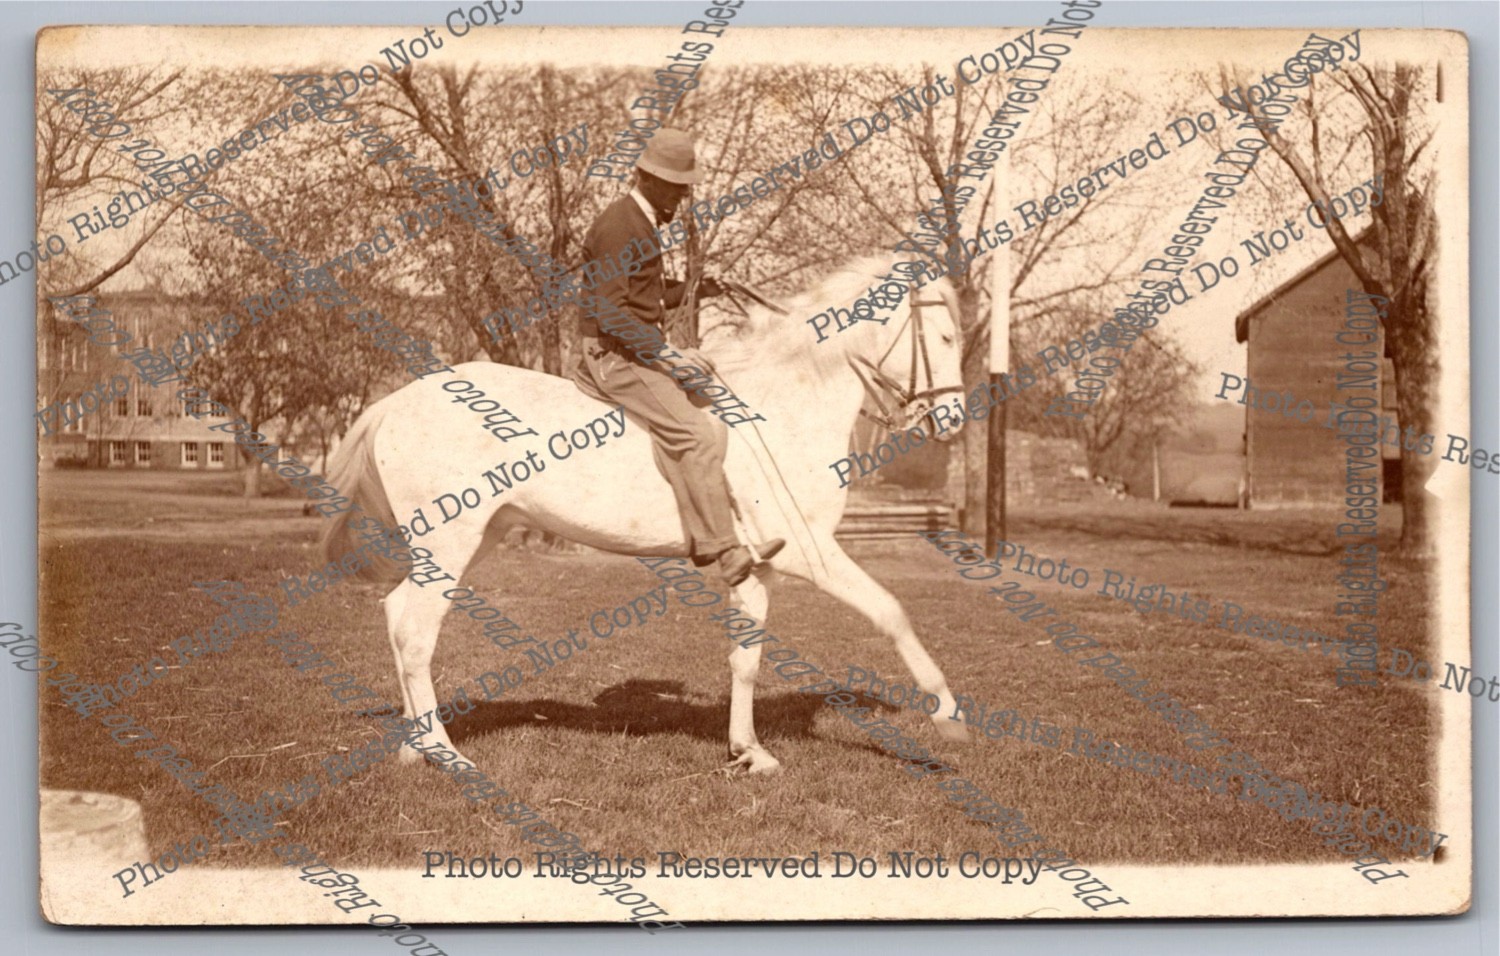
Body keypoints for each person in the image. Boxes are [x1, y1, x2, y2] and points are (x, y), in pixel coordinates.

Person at [571, 128, 782, 585]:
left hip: (631, 347)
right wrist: (668, 356)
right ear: (646, 178)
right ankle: (722, 550)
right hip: (610, 355)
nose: (682, 195)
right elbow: (609, 312)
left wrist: (698, 288)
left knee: (715, 412)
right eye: (674, 185)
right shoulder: (619, 225)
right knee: (696, 435)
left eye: (685, 186)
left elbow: (646, 297)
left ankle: (731, 529)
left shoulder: (640, 221)